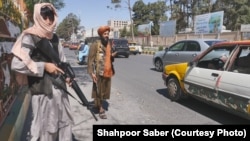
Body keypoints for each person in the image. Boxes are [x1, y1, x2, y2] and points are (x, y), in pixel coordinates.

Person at [11, 3, 74, 141]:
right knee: (45, 131)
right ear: (38, 17)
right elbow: (16, 64)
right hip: (43, 94)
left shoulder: (55, 38)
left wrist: (67, 76)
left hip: (61, 92)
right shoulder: (29, 37)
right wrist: (43, 66)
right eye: (44, 16)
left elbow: (62, 61)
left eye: (50, 16)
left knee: (65, 126)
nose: (48, 21)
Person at [87, 25, 116, 119]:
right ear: (100, 34)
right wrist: (92, 73)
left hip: (108, 71)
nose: (107, 35)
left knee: (105, 91)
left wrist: (112, 56)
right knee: (98, 91)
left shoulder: (109, 44)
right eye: (105, 33)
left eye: (108, 33)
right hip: (98, 71)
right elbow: (90, 60)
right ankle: (101, 109)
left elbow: (109, 58)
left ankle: (98, 104)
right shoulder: (95, 44)